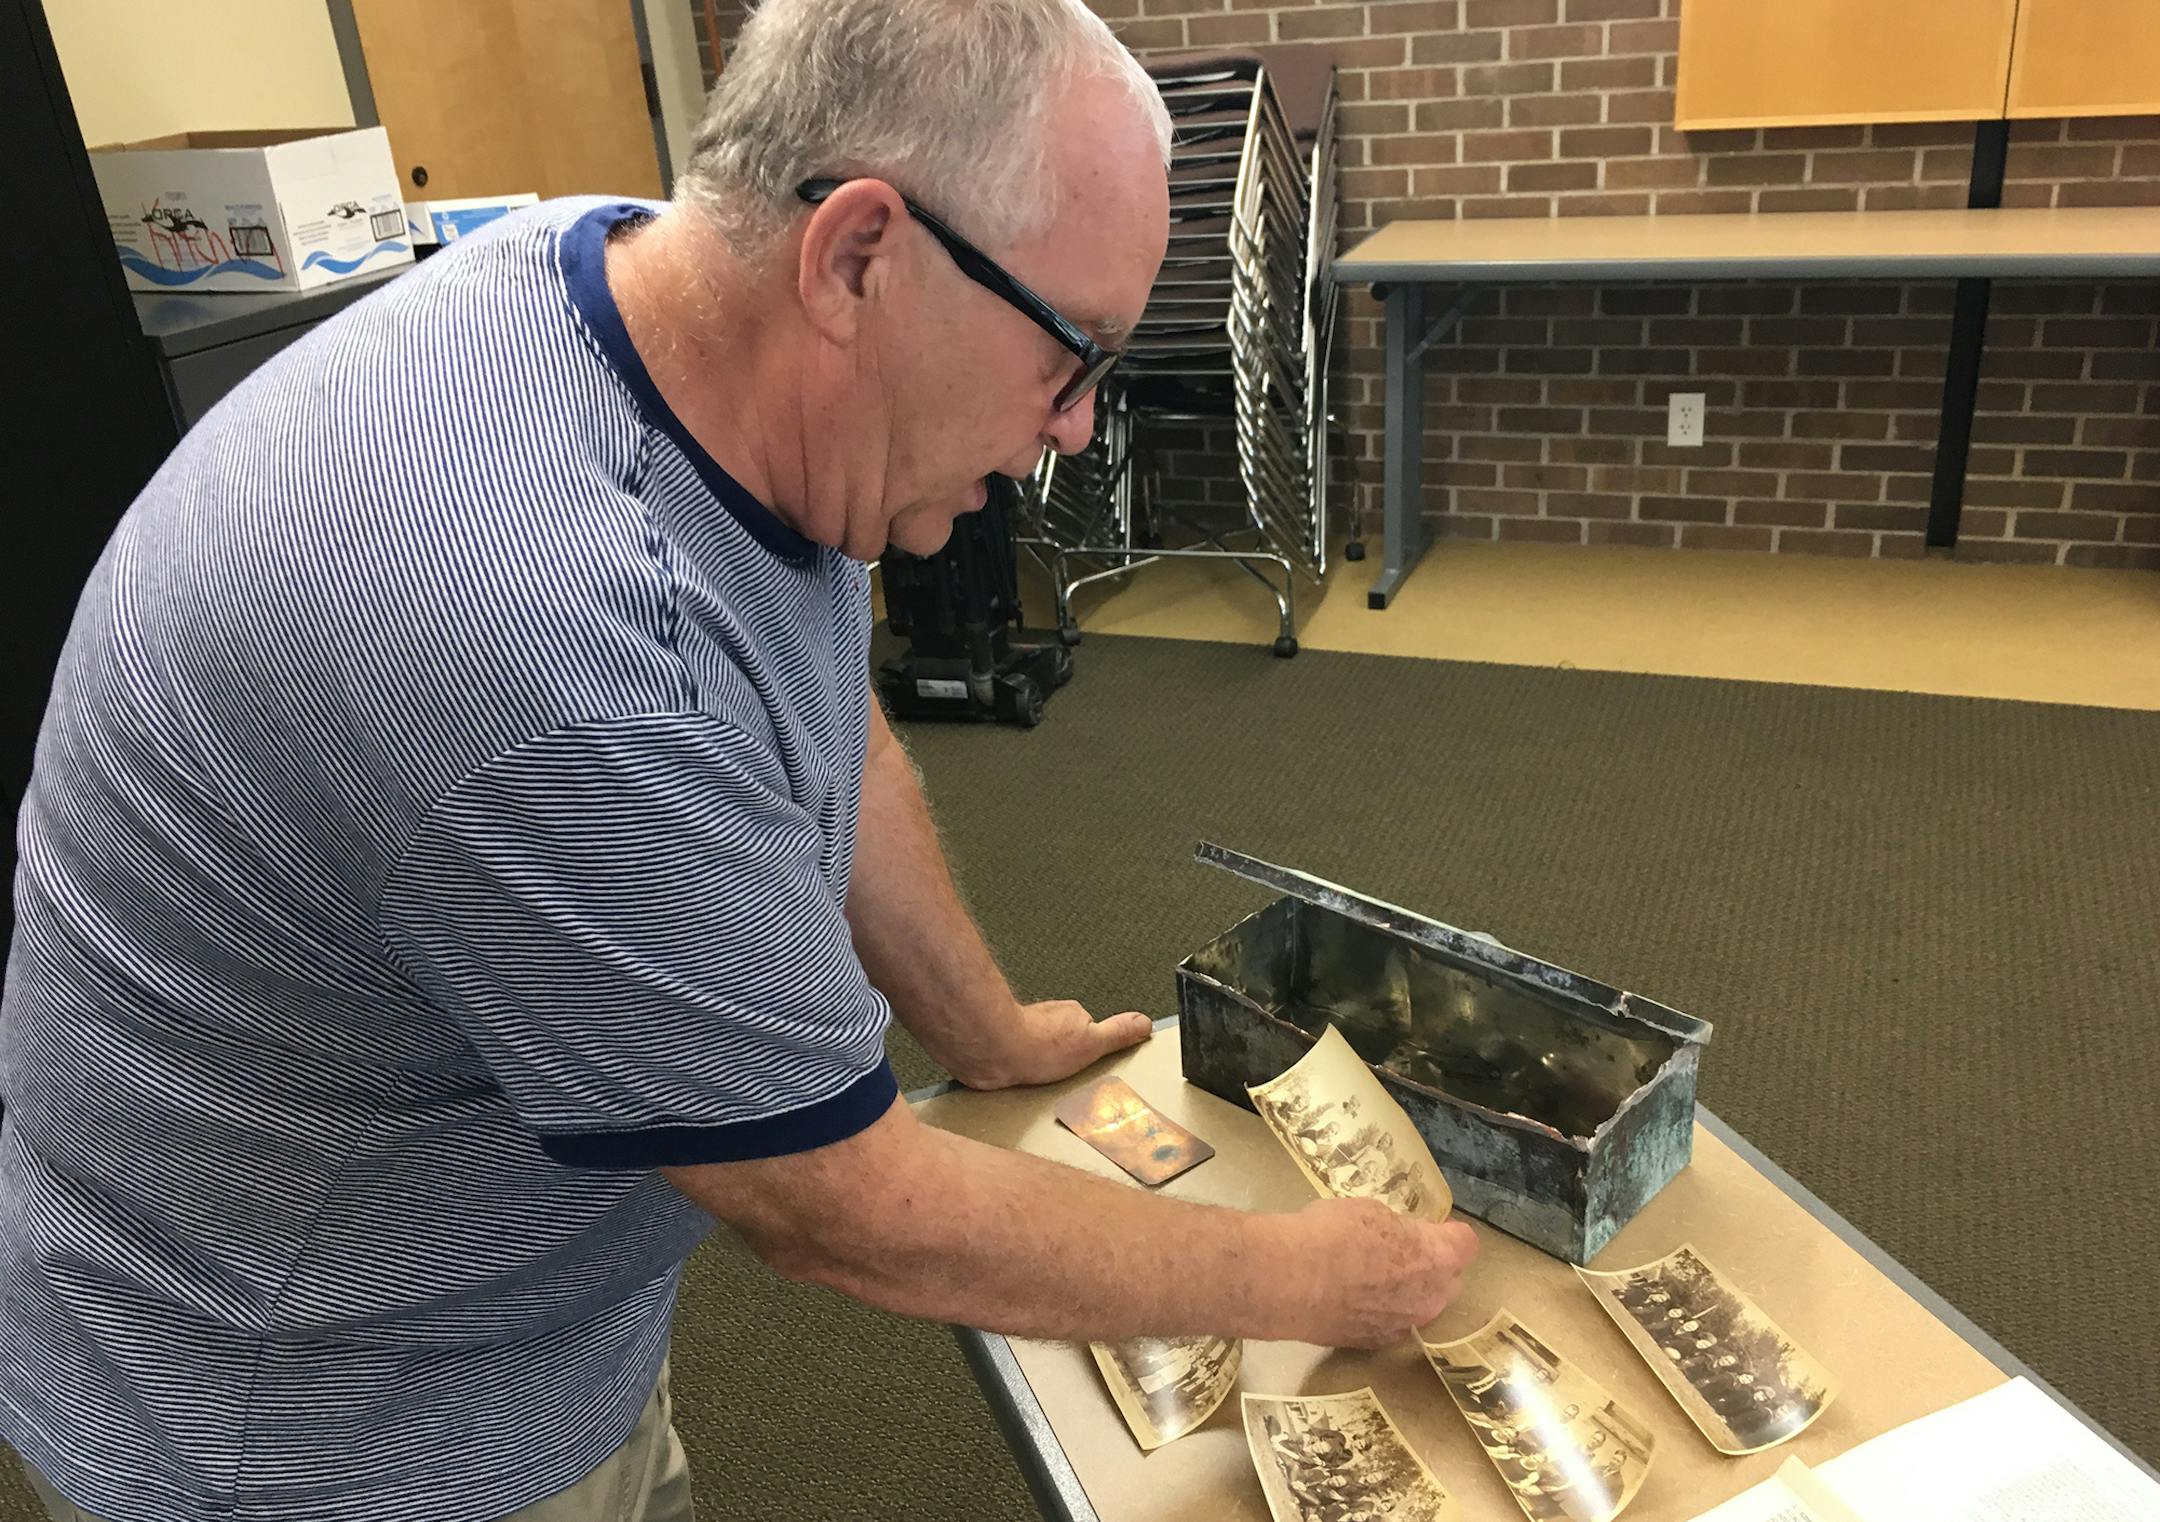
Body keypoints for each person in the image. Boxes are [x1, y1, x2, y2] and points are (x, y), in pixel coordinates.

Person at [0, 3, 1481, 1520]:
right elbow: (842, 1204)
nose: (1076, 429)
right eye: (1071, 356)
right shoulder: (559, 656)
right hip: (312, 1427)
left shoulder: (672, 301)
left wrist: (982, 1026)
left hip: (484, 1280)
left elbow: (815, 685)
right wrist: (1293, 1274)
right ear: (857, 255)